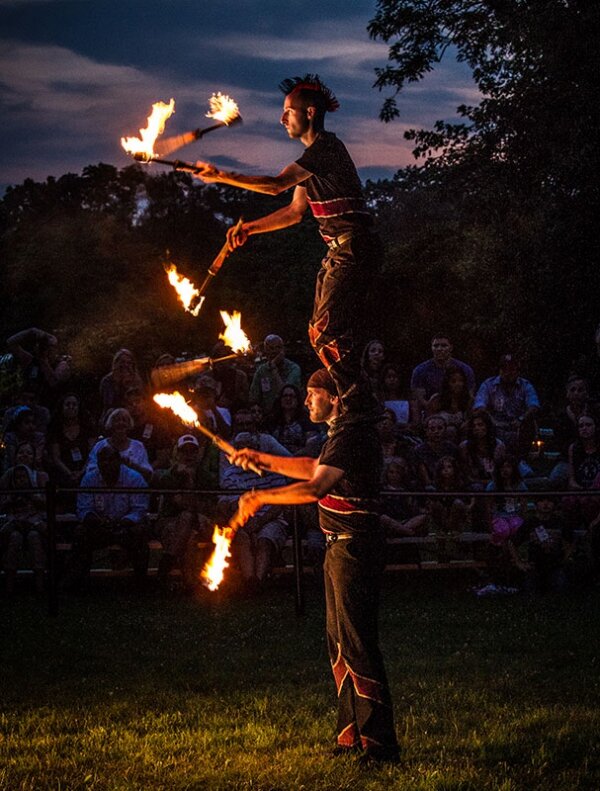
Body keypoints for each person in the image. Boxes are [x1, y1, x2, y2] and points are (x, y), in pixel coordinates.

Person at [228, 369, 399, 762]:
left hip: (355, 549)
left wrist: (261, 498)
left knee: (358, 644)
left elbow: (316, 487)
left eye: (313, 393)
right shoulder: (341, 435)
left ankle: (380, 744)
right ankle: (349, 734)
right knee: (339, 643)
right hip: (339, 549)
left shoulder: (353, 434)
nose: (307, 401)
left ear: (334, 398)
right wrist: (262, 460)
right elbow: (312, 467)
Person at [194, 74, 381, 418]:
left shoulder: (327, 149)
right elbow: (295, 213)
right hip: (341, 252)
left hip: (352, 250)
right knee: (321, 334)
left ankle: (355, 406)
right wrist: (249, 229)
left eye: (288, 112)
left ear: (309, 113)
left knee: (326, 333)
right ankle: (352, 401)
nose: (282, 119)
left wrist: (220, 174)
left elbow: (275, 184)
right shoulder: (314, 161)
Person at [64, 445, 149, 590]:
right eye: (102, 461)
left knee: (139, 533)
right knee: (80, 533)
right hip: (99, 528)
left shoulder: (134, 478)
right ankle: (77, 583)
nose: (106, 464)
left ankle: (141, 585)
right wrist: (97, 521)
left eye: (110, 460)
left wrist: (124, 522)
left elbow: (140, 509)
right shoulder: (89, 479)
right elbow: (83, 508)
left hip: (126, 527)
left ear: (118, 461)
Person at [153, 434, 218, 591]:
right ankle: (190, 583)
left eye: (192, 451)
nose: (189, 455)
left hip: (199, 522)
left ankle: (168, 564)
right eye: (185, 451)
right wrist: (189, 480)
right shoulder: (168, 477)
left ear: (198, 453)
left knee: (189, 525)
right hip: (171, 522)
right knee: (187, 526)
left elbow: (210, 507)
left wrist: (196, 509)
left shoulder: (207, 477)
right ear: (178, 453)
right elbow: (181, 504)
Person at [473, 354, 540, 460]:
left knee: (530, 424)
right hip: (494, 424)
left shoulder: (526, 385)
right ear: (499, 370)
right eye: (505, 369)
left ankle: (522, 460)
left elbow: (534, 405)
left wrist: (520, 419)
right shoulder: (488, 384)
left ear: (517, 371)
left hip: (518, 424)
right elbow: (479, 405)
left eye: (512, 369)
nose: (508, 372)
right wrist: (492, 421)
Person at [410, 334, 475, 416]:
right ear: (431, 348)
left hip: (459, 412)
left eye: (444, 346)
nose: (439, 349)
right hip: (430, 413)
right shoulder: (420, 370)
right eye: (436, 346)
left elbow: (470, 397)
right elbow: (418, 399)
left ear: (451, 348)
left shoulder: (465, 369)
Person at [86, 408, 153, 483]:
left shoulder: (138, 446)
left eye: (124, 420)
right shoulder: (100, 445)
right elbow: (90, 470)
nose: (121, 423)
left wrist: (130, 465)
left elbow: (148, 474)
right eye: (117, 420)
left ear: (129, 424)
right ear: (111, 424)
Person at [249, 335, 302, 416]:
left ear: (283, 349)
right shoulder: (261, 370)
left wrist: (274, 368)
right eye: (270, 348)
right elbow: (254, 397)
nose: (274, 351)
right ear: (265, 351)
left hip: (291, 415)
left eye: (278, 347)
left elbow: (285, 393)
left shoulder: (293, 368)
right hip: (269, 416)